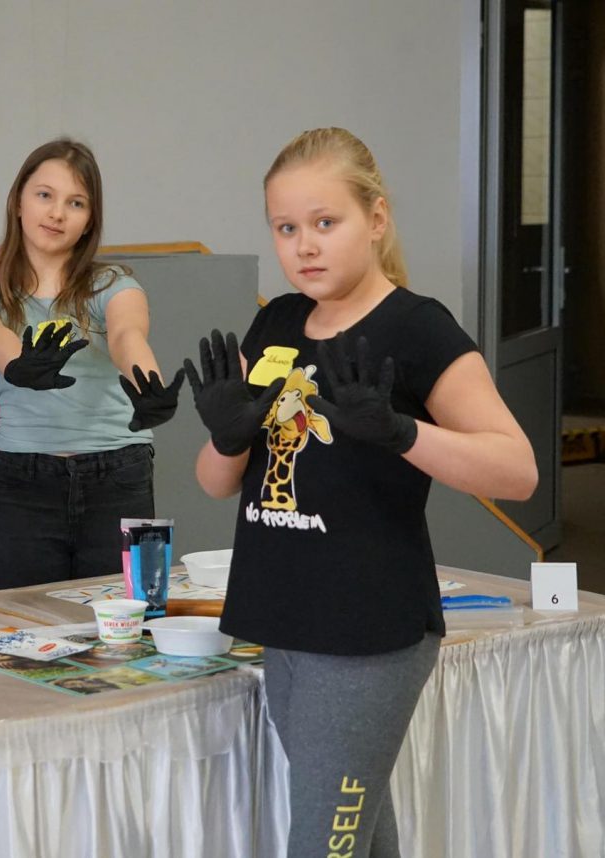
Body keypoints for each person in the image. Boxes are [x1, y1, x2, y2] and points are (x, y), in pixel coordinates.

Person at [184, 127, 537, 857]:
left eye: (325, 222)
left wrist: (402, 432)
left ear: (376, 219)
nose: (304, 246)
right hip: (283, 616)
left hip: (366, 632)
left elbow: (517, 471)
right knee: (358, 836)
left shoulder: (417, 328)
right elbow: (216, 484)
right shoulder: (278, 321)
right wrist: (226, 435)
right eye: (286, 228)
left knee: (326, 844)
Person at [0, 138, 184, 589]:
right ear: (18, 202)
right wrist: (18, 363)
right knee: (27, 621)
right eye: (45, 195)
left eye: (76, 202)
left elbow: (127, 334)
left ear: (89, 220)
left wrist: (148, 383)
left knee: (132, 615)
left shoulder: (114, 284)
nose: (57, 213)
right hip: (25, 480)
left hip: (120, 474)